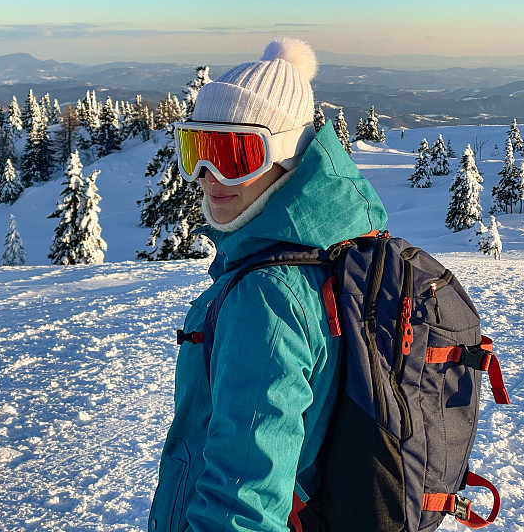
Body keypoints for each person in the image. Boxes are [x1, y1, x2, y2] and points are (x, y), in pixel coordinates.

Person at [148, 38, 388, 532]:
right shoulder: (333, 248)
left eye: (236, 155)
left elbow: (244, 505)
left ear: (284, 156)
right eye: (197, 149)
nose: (210, 177)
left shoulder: (268, 294)